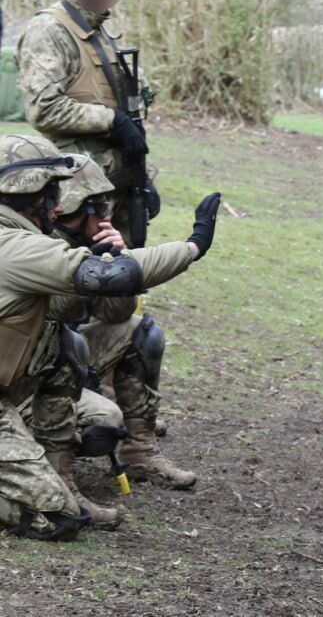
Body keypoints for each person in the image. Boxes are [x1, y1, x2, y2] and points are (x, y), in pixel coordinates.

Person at [0, 134, 219, 540]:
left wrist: (107, 253)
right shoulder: (14, 245)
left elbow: (97, 305)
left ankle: (64, 478)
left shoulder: (25, 239)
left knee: (67, 346)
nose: (56, 203)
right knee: (58, 520)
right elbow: (103, 277)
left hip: (13, 387)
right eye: (51, 193)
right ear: (32, 196)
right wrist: (191, 247)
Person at [51, 155, 196, 488]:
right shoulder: (38, 245)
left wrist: (114, 260)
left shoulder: (87, 241)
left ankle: (139, 451)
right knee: (100, 419)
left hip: (68, 352)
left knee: (142, 335)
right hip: (31, 366)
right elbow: (49, 315)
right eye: (99, 208)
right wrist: (89, 267)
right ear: (75, 210)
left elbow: (115, 314)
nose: (107, 215)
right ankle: (52, 475)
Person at [15, 0, 156, 246]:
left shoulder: (102, 29)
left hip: (114, 182)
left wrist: (143, 178)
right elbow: (45, 109)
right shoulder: (48, 31)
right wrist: (112, 120)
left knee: (123, 281)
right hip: (76, 192)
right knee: (77, 283)